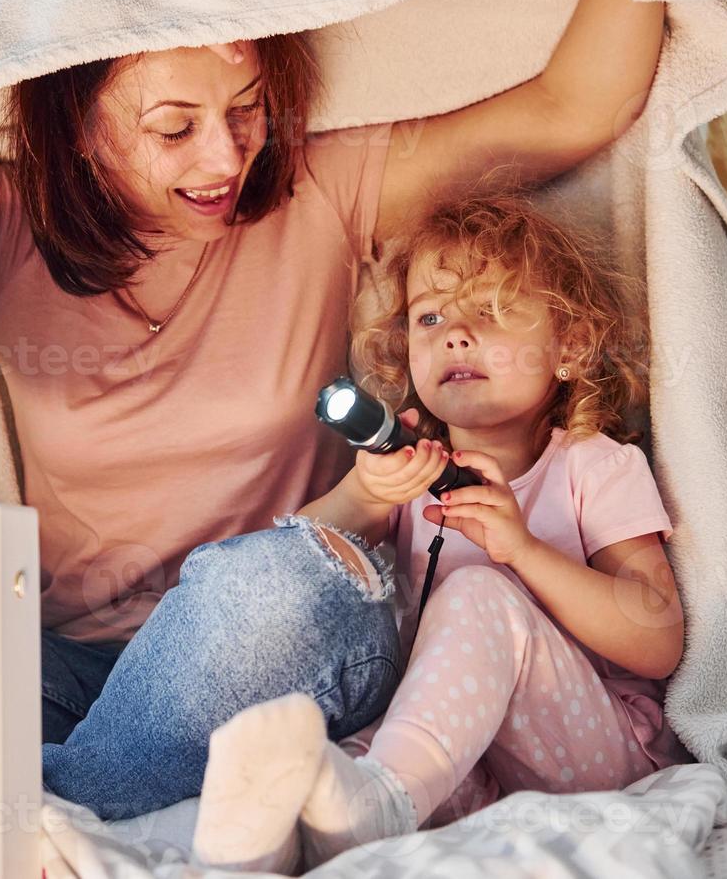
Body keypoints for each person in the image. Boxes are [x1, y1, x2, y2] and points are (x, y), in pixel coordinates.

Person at [0, 0, 664, 821]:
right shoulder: (3, 228)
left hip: (284, 621)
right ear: (76, 124)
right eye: (174, 128)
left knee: (250, 583)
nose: (224, 155)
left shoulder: (323, 195)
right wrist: (58, 13)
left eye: (247, 107)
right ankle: (93, 806)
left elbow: (575, 105)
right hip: (81, 663)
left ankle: (45, 823)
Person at [189, 194, 692, 874]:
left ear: (569, 347)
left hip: (592, 755)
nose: (454, 332)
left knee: (480, 591)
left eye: (488, 312)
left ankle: (382, 804)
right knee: (324, 762)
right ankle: (260, 845)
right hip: (456, 760)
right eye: (430, 316)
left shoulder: (592, 464)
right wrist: (365, 492)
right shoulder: (409, 473)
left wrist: (525, 552)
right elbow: (286, 578)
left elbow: (658, 638)